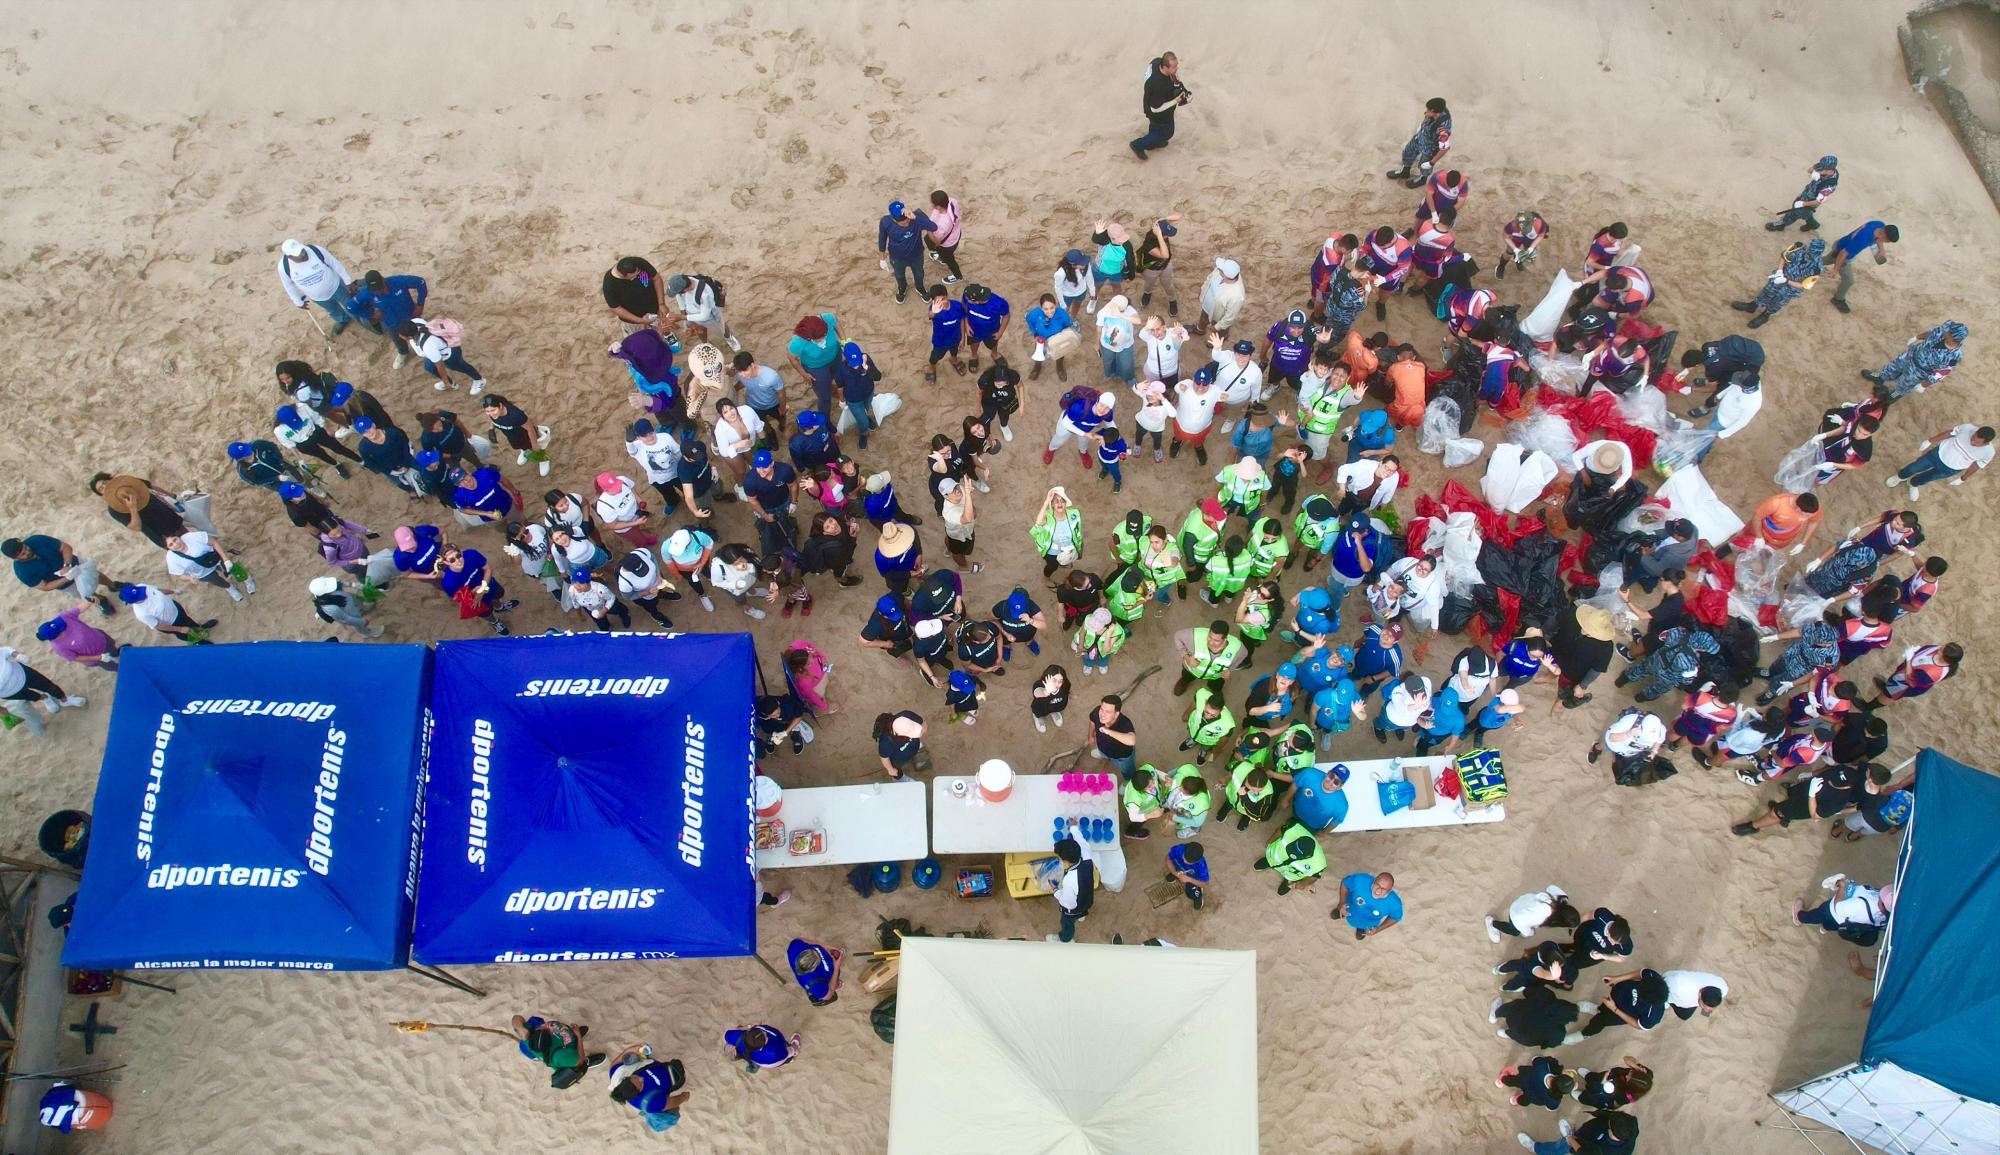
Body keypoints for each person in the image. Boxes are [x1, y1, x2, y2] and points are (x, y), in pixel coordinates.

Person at [5, 535, 121, 616]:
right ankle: (101, 601)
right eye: (23, 554)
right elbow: (44, 586)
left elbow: (65, 547)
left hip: (75, 564)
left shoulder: (37, 540)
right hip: (65, 585)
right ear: (15, 558)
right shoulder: (21, 571)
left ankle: (112, 585)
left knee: (96, 575)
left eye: (25, 548)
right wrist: (67, 578)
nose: (27, 552)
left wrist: (67, 565)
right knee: (86, 594)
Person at [1731, 237, 1826, 329]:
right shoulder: (1798, 248)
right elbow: (1784, 257)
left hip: (1791, 288)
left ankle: (1765, 315)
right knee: (1767, 291)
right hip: (1779, 277)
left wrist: (1786, 281)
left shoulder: (1817, 268)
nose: (1808, 255)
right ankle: (1752, 306)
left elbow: (1804, 285)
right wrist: (1779, 271)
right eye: (1809, 251)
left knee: (1778, 301)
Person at [1865, 320, 1970, 400]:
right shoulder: (1944, 329)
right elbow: (1931, 333)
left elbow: (1942, 373)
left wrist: (1924, 385)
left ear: (1953, 338)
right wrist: (1917, 337)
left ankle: (1897, 393)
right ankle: (1881, 377)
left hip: (1920, 371)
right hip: (1910, 355)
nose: (1945, 330)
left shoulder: (1954, 356)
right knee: (1893, 366)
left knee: (1905, 383)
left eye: (1948, 331)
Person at [1886, 422, 1994, 500]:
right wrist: (1930, 441)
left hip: (1950, 469)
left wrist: (1963, 478)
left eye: (1976, 442)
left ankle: (1914, 484)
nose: (1972, 441)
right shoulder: (1967, 428)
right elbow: (1950, 433)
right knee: (1913, 468)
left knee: (1928, 477)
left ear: (1985, 443)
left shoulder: (1988, 452)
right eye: (1973, 437)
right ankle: (1900, 477)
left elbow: (1976, 465)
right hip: (1936, 455)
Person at [276, 239, 362, 334]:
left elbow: (334, 263)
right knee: (333, 310)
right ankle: (343, 319)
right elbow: (288, 285)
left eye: (302, 250)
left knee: (350, 302)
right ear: (290, 257)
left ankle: (360, 317)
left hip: (336, 286)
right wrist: (297, 301)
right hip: (319, 298)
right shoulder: (283, 267)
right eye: (299, 254)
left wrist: (348, 281)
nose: (303, 254)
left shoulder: (316, 250)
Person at [605, 1044, 690, 1133]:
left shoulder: (616, 1075)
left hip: (653, 1066)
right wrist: (683, 1097)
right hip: (670, 1077)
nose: (641, 1078)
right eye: (640, 1083)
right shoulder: (651, 1103)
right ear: (638, 1093)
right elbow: (672, 1102)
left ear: (625, 1079)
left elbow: (620, 1058)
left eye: (635, 1077)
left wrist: (633, 1049)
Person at [1568, 968, 1669, 1042]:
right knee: (1603, 1007)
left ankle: (1585, 1034)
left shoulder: (1653, 1015)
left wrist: (1614, 1009)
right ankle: (1597, 1009)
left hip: (1619, 1013)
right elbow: (1641, 973)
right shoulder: (1654, 979)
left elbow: (1639, 1025)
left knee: (1600, 1021)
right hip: (1618, 994)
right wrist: (1617, 979)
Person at [1826, 220, 1898, 314]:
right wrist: (1835, 270)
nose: (1886, 242)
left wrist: (1881, 250)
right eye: (1887, 241)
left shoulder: (1879, 224)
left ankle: (1807, 262)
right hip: (1841, 254)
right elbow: (1843, 254)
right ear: (1883, 235)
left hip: (1841, 243)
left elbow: (1877, 239)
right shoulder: (1863, 240)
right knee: (1849, 280)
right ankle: (1838, 299)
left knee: (1827, 259)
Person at [399, 319, 486, 394]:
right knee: (429, 367)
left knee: (460, 366)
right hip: (436, 353)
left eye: (401, 335)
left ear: (409, 337)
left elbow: (439, 365)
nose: (399, 335)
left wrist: (445, 381)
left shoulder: (428, 346)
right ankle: (452, 383)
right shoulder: (415, 322)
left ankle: (479, 380)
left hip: (451, 353)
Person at [1129, 52, 1188, 160]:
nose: (1176, 69)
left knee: (1155, 128)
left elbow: (1150, 78)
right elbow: (1156, 109)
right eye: (1174, 67)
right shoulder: (1158, 85)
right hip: (1157, 111)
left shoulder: (1156, 62)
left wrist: (1177, 82)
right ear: (1165, 67)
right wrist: (1175, 101)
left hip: (1151, 99)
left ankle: (1153, 143)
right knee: (1167, 132)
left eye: (1176, 65)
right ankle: (1138, 145)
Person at [1386, 97, 1452, 188]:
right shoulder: (1438, 109)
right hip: (1420, 137)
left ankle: (1422, 179)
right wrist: (1420, 129)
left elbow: (1444, 148)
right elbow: (1427, 118)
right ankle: (1405, 171)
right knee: (1407, 152)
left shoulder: (1443, 129)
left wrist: (1431, 163)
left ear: (1433, 111)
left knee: (1424, 165)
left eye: (1428, 110)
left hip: (1430, 147)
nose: (1425, 111)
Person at [877, 200, 934, 303]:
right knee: (899, 276)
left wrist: (916, 217)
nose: (907, 223)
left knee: (919, 274)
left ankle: (920, 287)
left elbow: (933, 227)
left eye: (908, 220)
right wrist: (882, 257)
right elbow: (882, 238)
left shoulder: (916, 217)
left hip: (916, 255)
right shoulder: (885, 221)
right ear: (894, 220)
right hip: (897, 258)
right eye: (903, 222)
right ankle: (902, 288)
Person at [119, 582, 215, 644]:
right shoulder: (141, 613)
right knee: (186, 634)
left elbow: (158, 590)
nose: (144, 594)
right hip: (172, 623)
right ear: (133, 602)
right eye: (140, 596)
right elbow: (159, 626)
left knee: (189, 621)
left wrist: (173, 591)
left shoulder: (141, 586)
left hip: (176, 609)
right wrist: (180, 629)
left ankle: (200, 628)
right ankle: (199, 642)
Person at [1765, 155, 1839, 232]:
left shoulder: (1829, 186)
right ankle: (1813, 224)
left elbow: (1817, 202)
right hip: (1808, 192)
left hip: (1811, 201)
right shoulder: (1824, 166)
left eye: (1822, 169)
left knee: (1794, 213)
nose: (1819, 170)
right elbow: (1809, 170)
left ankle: (1781, 224)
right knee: (1805, 213)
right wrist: (1814, 171)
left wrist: (1803, 204)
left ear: (1830, 170)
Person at [480, 395, 551, 475]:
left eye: (493, 410)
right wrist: (491, 429)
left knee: (536, 449)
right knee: (521, 447)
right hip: (512, 437)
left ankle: (543, 459)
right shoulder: (494, 415)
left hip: (526, 437)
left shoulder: (515, 415)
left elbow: (530, 428)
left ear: (500, 405)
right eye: (487, 411)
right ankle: (524, 451)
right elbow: (493, 421)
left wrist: (534, 444)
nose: (491, 414)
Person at [1050, 827, 1097, 943]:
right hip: (1087, 898)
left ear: (1065, 861)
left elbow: (1068, 904)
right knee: (1083, 907)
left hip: (1073, 909)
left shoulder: (1070, 880)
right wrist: (1074, 827)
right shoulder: (1086, 855)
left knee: (1067, 923)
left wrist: (1055, 890)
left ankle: (1065, 938)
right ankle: (1081, 915)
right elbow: (1081, 840)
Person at [1174, 620, 1246, 695]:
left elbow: (1244, 654)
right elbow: (1177, 636)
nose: (1211, 642)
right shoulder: (1196, 635)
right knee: (1186, 676)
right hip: (1191, 670)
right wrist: (1187, 658)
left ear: (1225, 639)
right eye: (1210, 637)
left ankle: (1215, 691)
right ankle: (1184, 682)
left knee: (1216, 686)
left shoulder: (1237, 647)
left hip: (1216, 676)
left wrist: (1230, 670)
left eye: (1216, 640)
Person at [1486, 885, 1578, 944]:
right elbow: (1519, 921)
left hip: (1525, 901)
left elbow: (1551, 887)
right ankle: (1492, 924)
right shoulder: (1541, 915)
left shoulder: (1561, 899)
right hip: (1516, 913)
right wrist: (1529, 932)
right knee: (1515, 931)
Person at [1031, 487, 1085, 580]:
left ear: (1065, 503)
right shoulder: (1048, 517)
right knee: (1052, 566)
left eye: (1062, 500)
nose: (1059, 504)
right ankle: (1046, 578)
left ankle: (1063, 562)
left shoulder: (1074, 513)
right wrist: (1046, 501)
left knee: (1067, 560)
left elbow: (1077, 532)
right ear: (1052, 504)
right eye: (1056, 501)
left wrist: (1079, 548)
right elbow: (1039, 523)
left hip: (1069, 548)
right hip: (1052, 552)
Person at [603, 256, 667, 333]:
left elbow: (656, 278)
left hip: (655, 310)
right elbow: (616, 308)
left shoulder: (638, 262)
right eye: (633, 277)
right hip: (635, 321)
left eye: (638, 273)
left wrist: (661, 304)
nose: (637, 276)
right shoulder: (609, 284)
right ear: (624, 275)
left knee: (665, 329)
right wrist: (640, 320)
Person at [1335, 871, 1402, 940]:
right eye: (1377, 885)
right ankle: (1340, 912)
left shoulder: (1394, 903)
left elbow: (1395, 917)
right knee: (1338, 911)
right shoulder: (1361, 880)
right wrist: (1342, 902)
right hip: (1347, 908)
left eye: (1383, 889)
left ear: (1389, 891)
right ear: (1374, 881)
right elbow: (1345, 883)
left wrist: (1379, 929)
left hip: (1368, 925)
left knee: (1362, 931)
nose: (1378, 891)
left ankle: (1360, 929)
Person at [1498, 1055, 1575, 1112]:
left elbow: (1535, 1059)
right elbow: (1550, 1108)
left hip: (1524, 1079)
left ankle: (1502, 1079)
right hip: (1532, 1097)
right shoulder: (1554, 1100)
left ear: (1559, 1075)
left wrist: (1560, 1070)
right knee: (1524, 1101)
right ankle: (1516, 1100)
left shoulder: (1542, 1068)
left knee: (1513, 1081)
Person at [922, 189, 966, 285]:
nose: (931, 204)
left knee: (950, 260)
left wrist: (927, 227)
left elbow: (936, 241)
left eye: (932, 203)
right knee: (927, 239)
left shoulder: (943, 224)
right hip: (956, 233)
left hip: (947, 244)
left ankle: (958, 276)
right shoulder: (951, 201)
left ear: (938, 206)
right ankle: (941, 258)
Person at [1090, 695, 1139, 776]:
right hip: (1103, 748)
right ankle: (1103, 755)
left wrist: (1108, 731)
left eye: (1107, 712)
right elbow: (1092, 720)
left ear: (1116, 714)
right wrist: (1090, 736)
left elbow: (1132, 740)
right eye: (1102, 709)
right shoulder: (1097, 712)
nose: (1102, 714)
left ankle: (1127, 780)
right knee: (1102, 752)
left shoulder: (1124, 723)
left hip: (1121, 758)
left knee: (1128, 771)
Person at [1198, 258, 1247, 340]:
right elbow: (1209, 279)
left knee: (1221, 331)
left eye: (1221, 269)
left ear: (1225, 275)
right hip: (1206, 307)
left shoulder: (1237, 296)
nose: (1218, 268)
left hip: (1218, 316)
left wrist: (1217, 327)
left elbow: (1229, 318)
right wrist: (1202, 292)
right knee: (1203, 319)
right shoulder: (1220, 271)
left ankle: (1222, 337)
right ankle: (1200, 329)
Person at [786, 937, 843, 1007]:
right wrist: (836, 967)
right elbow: (828, 995)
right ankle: (833, 986)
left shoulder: (795, 946)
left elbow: (805, 940)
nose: (819, 953)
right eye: (818, 961)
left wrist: (828, 947)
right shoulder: (814, 985)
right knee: (828, 988)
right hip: (821, 984)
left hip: (821, 975)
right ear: (812, 969)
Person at [721, 1025, 801, 1073]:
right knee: (789, 1053)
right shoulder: (773, 1052)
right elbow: (793, 1051)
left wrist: (748, 1026)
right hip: (771, 1061)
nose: (765, 1032)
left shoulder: (737, 1035)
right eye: (765, 1036)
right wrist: (794, 1049)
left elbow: (727, 1034)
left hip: (755, 1058)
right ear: (762, 1045)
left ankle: (789, 1059)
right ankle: (790, 1059)